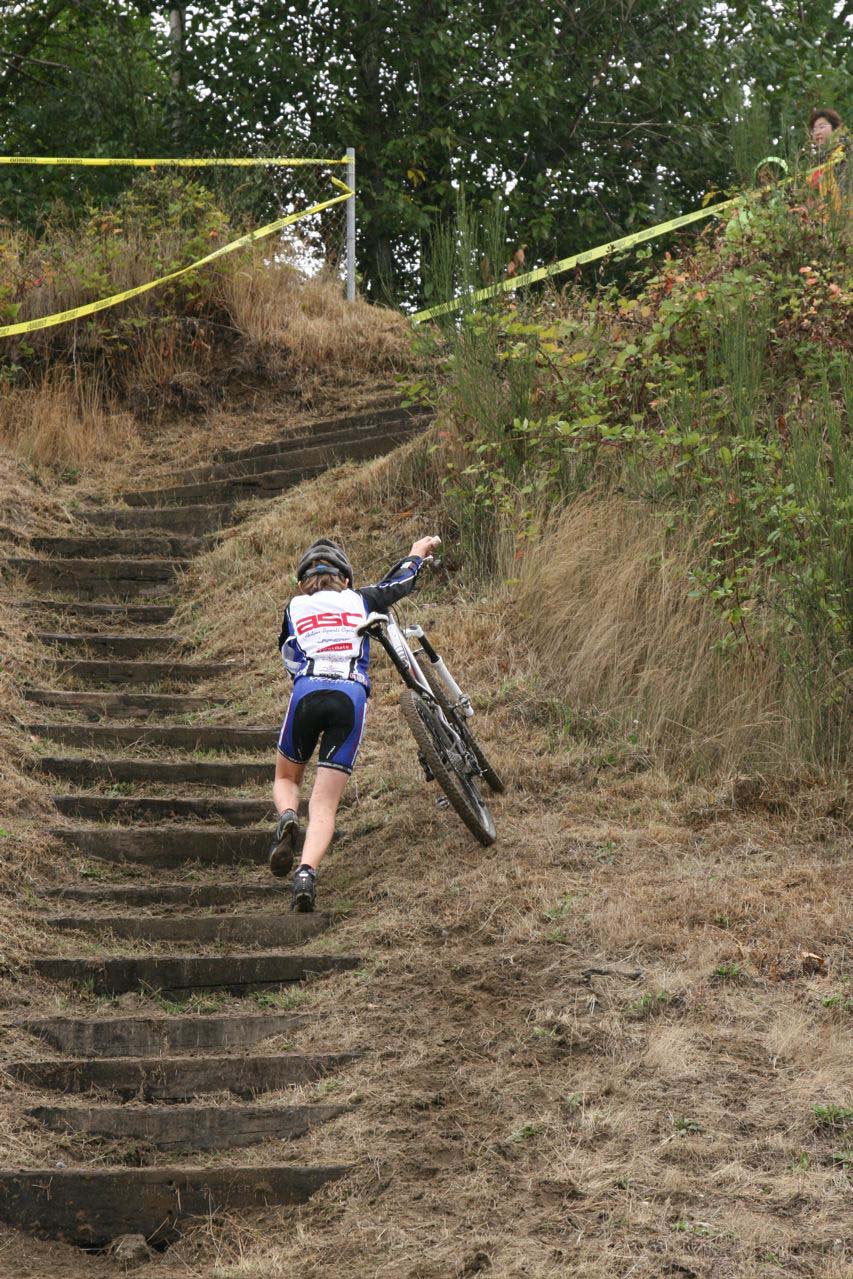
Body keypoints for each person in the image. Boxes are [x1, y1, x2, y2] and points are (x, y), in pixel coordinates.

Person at [269, 533, 442, 911]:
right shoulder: (360, 599)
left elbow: (288, 654)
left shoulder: (294, 607)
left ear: (302, 584)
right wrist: (415, 553)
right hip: (349, 694)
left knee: (286, 778)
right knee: (324, 803)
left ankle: (286, 817)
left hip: (307, 690)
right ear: (346, 579)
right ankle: (305, 874)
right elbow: (400, 584)